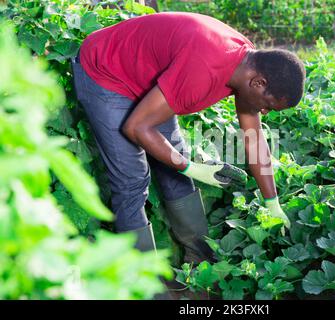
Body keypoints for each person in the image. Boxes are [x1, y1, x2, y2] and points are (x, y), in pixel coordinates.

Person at [71, 12, 306, 264]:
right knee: (131, 181)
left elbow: (254, 139)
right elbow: (137, 128)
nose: (265, 112)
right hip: (106, 71)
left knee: (175, 170)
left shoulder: (247, 68)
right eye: (269, 105)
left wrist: (273, 204)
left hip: (147, 78)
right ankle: (144, 282)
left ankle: (201, 260)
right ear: (258, 83)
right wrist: (192, 167)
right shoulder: (203, 70)